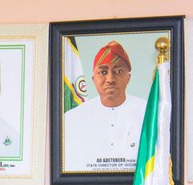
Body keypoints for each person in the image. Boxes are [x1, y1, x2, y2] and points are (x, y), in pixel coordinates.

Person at [63, 40, 147, 171]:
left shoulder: (149, 113)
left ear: (128, 78)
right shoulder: (72, 118)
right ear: (93, 79)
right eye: (103, 72)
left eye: (118, 71)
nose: (110, 79)